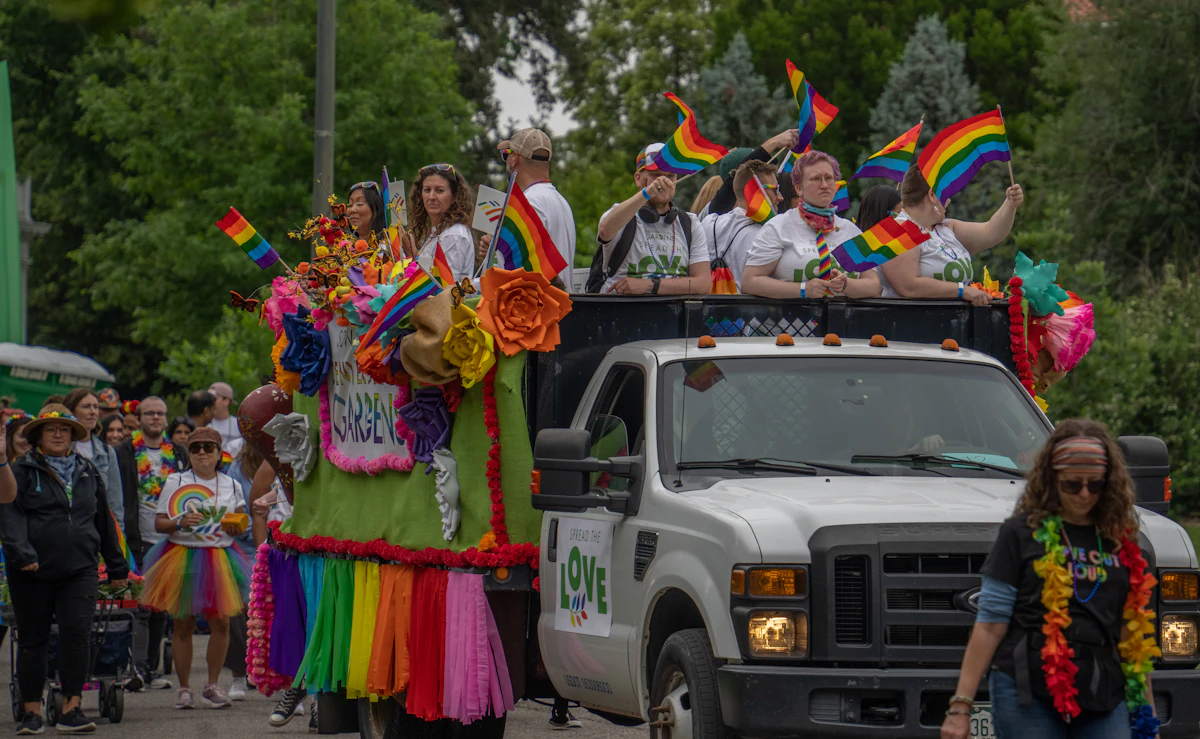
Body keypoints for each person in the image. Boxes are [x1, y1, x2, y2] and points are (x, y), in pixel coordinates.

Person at [941, 419, 1159, 739]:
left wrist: (1146, 715)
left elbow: (1132, 637)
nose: (1084, 494)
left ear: (1109, 483)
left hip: (1104, 688)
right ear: (1053, 480)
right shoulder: (1020, 533)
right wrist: (961, 706)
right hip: (1028, 688)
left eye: (1095, 484)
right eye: (1073, 484)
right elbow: (990, 624)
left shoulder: (1121, 542)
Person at [0, 404, 130, 733]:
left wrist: (117, 567)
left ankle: (72, 708)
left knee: (77, 635)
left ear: (72, 436)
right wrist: (23, 552)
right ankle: (31, 712)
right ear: (38, 436)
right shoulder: (21, 471)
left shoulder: (87, 470)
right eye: (51, 429)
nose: (58, 434)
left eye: (64, 430)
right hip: (30, 571)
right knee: (32, 640)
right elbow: (10, 517)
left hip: (80, 570)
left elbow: (104, 520)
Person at [140, 427, 250, 710]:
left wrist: (235, 525)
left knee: (222, 623)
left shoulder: (231, 485)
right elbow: (159, 523)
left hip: (221, 557)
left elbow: (241, 523)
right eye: (196, 448)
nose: (202, 452)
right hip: (182, 555)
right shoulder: (176, 480)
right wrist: (179, 522)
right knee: (183, 623)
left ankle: (212, 686)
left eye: (208, 447)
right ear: (188, 453)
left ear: (218, 453)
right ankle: (185, 688)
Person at [116, 396, 190, 690]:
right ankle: (138, 669)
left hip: (172, 539)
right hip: (138, 539)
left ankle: (153, 669)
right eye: (150, 414)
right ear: (139, 417)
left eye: (160, 414)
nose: (156, 418)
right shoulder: (124, 452)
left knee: (162, 607)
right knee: (141, 606)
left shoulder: (179, 453)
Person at [742, 150, 881, 299]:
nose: (824, 185)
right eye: (815, 179)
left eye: (829, 178)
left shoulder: (851, 230)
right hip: (790, 321)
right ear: (798, 189)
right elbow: (750, 282)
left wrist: (846, 284)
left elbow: (875, 287)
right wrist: (803, 290)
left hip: (839, 321)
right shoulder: (778, 226)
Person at [880, 164, 1023, 305]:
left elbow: (991, 232)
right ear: (931, 195)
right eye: (947, 193)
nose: (949, 200)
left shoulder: (946, 227)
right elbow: (908, 285)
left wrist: (1010, 204)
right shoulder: (898, 230)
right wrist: (962, 291)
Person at [592, 143, 711, 295]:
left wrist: (650, 285)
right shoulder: (622, 214)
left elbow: (703, 284)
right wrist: (646, 193)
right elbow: (605, 230)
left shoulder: (690, 222)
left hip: (672, 316)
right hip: (621, 313)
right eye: (656, 175)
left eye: (670, 176)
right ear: (638, 179)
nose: (664, 182)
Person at [700, 160, 783, 293]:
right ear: (755, 191)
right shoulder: (766, 233)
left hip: (708, 309)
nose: (780, 197)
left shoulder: (709, 223)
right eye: (775, 190)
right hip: (746, 311)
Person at [64, 388, 125, 530]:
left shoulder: (107, 452)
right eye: (86, 407)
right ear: (72, 412)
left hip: (97, 531)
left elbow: (115, 502)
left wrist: (118, 537)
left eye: (95, 407)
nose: (93, 412)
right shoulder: (62, 450)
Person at [702, 129, 800, 217]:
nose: (780, 197)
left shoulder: (767, 220)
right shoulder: (714, 216)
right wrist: (772, 143)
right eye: (760, 172)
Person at [403, 164, 475, 282]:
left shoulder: (454, 234)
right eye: (427, 190)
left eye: (439, 190)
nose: (431, 196)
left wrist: (413, 255)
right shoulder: (438, 230)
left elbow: (445, 286)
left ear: (453, 197)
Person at [207, 382, 242, 451]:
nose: (209, 402)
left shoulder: (239, 425)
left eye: (213, 399)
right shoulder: (205, 423)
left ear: (226, 401)